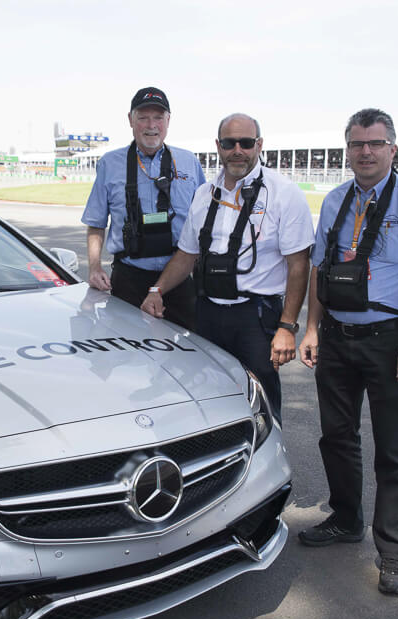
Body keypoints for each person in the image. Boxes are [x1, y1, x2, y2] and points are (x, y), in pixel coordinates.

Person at [297, 108, 398, 597]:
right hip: (337, 337)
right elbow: (320, 270)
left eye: (375, 143)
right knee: (336, 437)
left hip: (389, 341)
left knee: (394, 449)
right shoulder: (335, 200)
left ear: (393, 149)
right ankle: (346, 518)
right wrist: (311, 328)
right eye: (357, 144)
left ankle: (393, 552)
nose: (365, 152)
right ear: (347, 149)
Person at [140, 113, 312, 424]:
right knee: (209, 399)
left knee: (262, 403)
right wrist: (157, 290)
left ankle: (269, 455)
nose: (237, 151)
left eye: (245, 143)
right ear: (218, 146)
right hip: (207, 314)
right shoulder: (205, 193)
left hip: (256, 317)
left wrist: (287, 327)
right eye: (229, 143)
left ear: (259, 145)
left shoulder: (283, 192)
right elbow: (186, 254)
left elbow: (298, 264)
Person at [81, 87, 205, 329]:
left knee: (193, 348)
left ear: (168, 120)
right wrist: (94, 268)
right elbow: (96, 223)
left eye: (158, 117)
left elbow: (205, 219)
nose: (151, 125)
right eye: (143, 117)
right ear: (130, 120)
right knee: (126, 345)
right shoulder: (109, 163)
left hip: (178, 277)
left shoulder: (188, 161)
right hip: (129, 276)